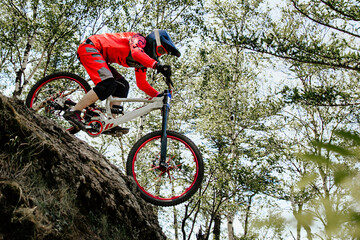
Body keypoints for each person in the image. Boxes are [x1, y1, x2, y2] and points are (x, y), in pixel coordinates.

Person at [63, 29, 180, 133]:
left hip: (101, 57)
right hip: (91, 47)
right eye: (160, 50)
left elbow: (142, 84)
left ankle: (111, 122)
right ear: (155, 40)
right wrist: (157, 66)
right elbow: (136, 52)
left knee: (122, 85)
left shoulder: (141, 62)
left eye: (162, 53)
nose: (159, 54)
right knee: (107, 84)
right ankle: (74, 111)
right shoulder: (139, 39)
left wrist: (158, 95)